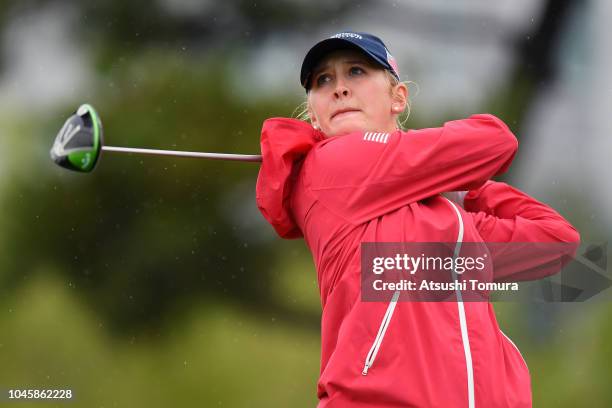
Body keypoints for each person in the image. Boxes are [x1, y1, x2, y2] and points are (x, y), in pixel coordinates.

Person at [255, 31, 580, 407]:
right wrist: (453, 174)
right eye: (323, 80)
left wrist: (462, 190)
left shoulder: (451, 224)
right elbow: (495, 140)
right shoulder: (333, 165)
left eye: (356, 72)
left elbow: (556, 240)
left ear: (398, 98)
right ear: (313, 112)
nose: (339, 88)